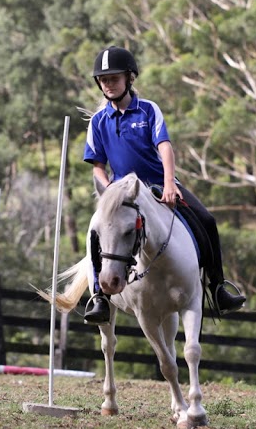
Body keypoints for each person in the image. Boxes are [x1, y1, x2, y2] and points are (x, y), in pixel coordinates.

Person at [81, 45, 246, 324]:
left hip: (158, 183)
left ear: (129, 78)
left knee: (206, 220)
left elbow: (165, 146)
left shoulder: (148, 110)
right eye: (104, 80)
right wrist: (108, 190)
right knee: (96, 232)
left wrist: (170, 183)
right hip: (123, 193)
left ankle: (218, 287)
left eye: (114, 79)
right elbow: (97, 165)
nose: (108, 85)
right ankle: (99, 295)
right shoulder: (98, 121)